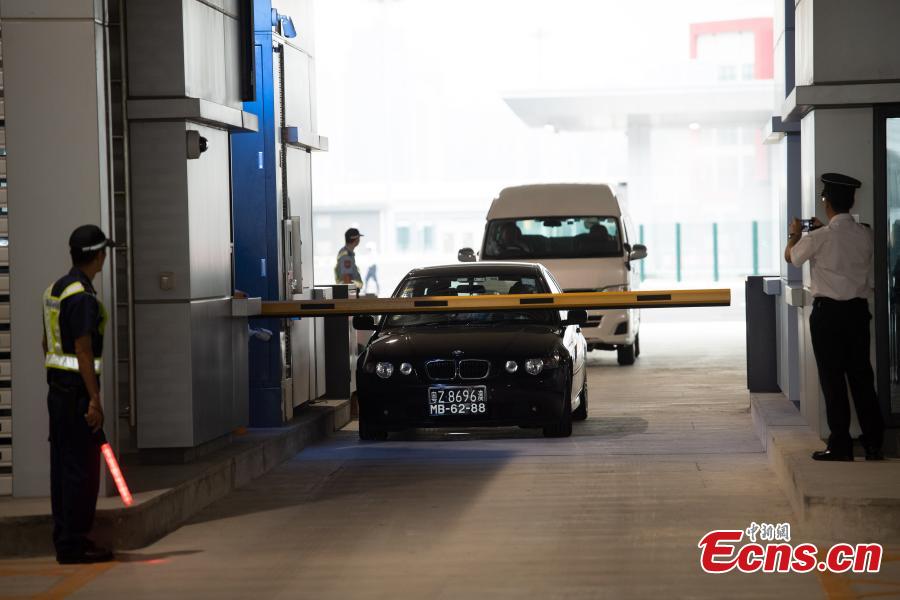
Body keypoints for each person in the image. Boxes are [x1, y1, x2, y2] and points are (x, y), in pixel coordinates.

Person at [785, 173, 883, 461]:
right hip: (857, 314)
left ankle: (840, 445)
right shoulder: (865, 233)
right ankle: (874, 444)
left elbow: (792, 257)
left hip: (828, 316)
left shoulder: (819, 237)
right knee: (862, 377)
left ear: (825, 201)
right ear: (852, 201)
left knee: (833, 379)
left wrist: (795, 236)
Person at [42, 225, 116, 563]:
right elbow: (83, 351)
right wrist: (94, 399)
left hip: (58, 394)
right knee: (82, 472)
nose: (105, 258)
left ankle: (66, 539)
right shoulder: (82, 296)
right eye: (104, 253)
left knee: (62, 468)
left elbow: (47, 343)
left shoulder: (56, 290)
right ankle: (74, 545)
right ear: (97, 255)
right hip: (77, 398)